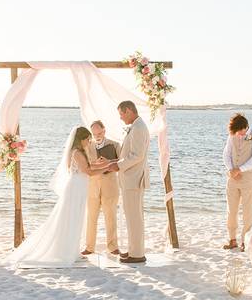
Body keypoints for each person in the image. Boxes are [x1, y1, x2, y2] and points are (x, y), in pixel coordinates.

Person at [10, 127, 109, 267]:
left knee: (76, 219)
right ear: (80, 139)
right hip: (76, 188)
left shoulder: (76, 151)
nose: (89, 141)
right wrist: (106, 168)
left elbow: (86, 166)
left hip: (78, 187)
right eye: (87, 139)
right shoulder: (77, 152)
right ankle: (68, 251)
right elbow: (88, 171)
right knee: (72, 219)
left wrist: (102, 163)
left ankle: (73, 250)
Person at [108, 101, 150, 264]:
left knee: (134, 218)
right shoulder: (137, 126)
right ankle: (134, 250)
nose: (120, 117)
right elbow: (130, 153)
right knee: (133, 217)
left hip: (133, 180)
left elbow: (137, 155)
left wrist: (118, 165)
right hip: (131, 179)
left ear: (129, 111)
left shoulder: (138, 128)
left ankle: (138, 254)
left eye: (121, 113)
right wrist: (115, 161)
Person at [222, 113, 252, 251]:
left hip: (247, 178)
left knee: (247, 211)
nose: (238, 135)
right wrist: (231, 169)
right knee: (231, 210)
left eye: (240, 131)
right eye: (236, 132)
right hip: (232, 177)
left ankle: (245, 241)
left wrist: (240, 169)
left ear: (246, 127)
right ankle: (232, 239)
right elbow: (226, 154)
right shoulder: (232, 135)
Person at [82, 120, 120, 256]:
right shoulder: (87, 146)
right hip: (92, 186)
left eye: (99, 132)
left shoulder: (115, 145)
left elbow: (122, 164)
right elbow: (85, 165)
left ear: (104, 130)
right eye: (94, 133)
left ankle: (113, 246)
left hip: (110, 186)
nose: (97, 135)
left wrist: (109, 163)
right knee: (91, 217)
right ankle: (89, 247)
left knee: (111, 217)